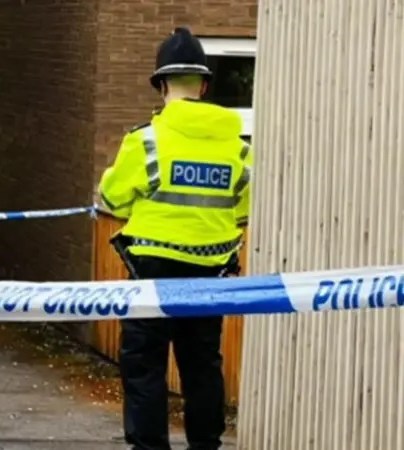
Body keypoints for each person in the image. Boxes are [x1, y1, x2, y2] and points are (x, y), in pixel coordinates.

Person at [97, 27, 252, 450]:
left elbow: (110, 198)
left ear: (162, 84)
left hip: (151, 273)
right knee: (202, 366)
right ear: (203, 85)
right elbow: (241, 212)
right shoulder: (238, 149)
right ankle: (206, 445)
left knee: (144, 365)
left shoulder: (144, 141)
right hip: (210, 275)